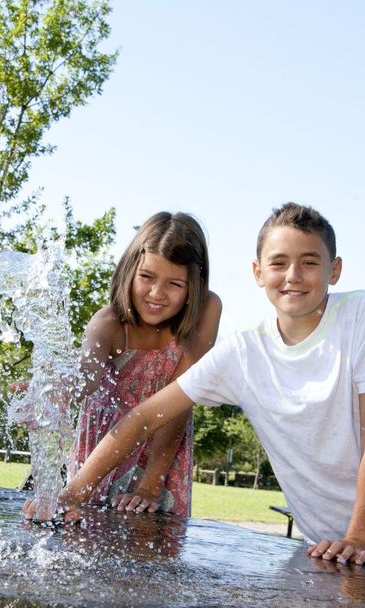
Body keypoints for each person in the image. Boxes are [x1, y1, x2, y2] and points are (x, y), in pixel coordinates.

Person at [55, 203, 365, 601]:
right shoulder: (244, 354)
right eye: (278, 262)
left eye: (309, 262)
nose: (293, 275)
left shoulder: (359, 314)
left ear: (334, 269)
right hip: (329, 547)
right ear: (257, 272)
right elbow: (143, 417)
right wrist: (72, 494)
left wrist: (359, 535)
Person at [23, 211, 221, 520]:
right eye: (146, 277)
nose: (157, 293)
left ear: (194, 285)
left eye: (174, 283)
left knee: (154, 543)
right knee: (87, 535)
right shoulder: (110, 323)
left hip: (163, 456)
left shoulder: (207, 310)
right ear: (129, 270)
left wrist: (151, 482)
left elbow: (178, 404)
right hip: (101, 457)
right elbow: (85, 376)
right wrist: (56, 391)